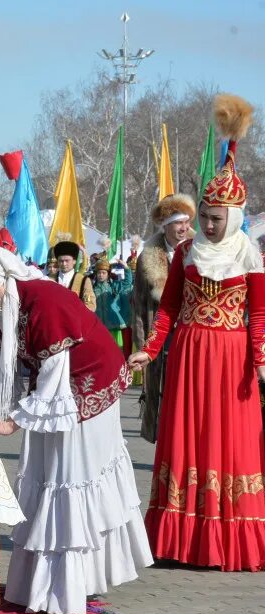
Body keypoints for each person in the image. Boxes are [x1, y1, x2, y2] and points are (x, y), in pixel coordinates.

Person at [0, 245, 152, 614]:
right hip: (56, 391)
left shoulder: (45, 300)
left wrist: (12, 421)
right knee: (47, 476)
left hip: (89, 383)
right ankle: (60, 582)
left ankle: (73, 584)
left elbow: (53, 372)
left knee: (70, 477)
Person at [128, 94, 265, 571]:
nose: (208, 224)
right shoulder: (186, 252)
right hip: (188, 354)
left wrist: (260, 356)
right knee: (186, 437)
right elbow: (167, 310)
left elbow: (260, 315)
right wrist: (150, 349)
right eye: (204, 215)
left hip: (231, 358)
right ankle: (178, 540)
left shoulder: (249, 256)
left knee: (229, 442)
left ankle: (230, 541)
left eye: (216, 218)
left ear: (235, 216)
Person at [130, 194, 195, 443]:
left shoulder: (198, 252)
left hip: (191, 334)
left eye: (187, 222)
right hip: (160, 337)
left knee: (189, 397)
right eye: (178, 222)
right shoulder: (148, 258)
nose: (183, 228)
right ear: (165, 225)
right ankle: (168, 448)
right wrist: (141, 345)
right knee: (162, 397)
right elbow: (138, 305)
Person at [93, 257, 134, 357]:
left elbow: (127, 282)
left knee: (117, 351)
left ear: (108, 274)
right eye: (99, 273)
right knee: (101, 352)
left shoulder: (114, 286)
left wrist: (126, 268)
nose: (101, 275)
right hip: (99, 326)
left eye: (103, 273)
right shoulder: (92, 288)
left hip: (114, 326)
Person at [50, 238, 97, 311]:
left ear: (74, 261)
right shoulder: (49, 279)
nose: (64, 264)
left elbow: (90, 305)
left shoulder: (83, 280)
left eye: (67, 260)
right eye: (61, 261)